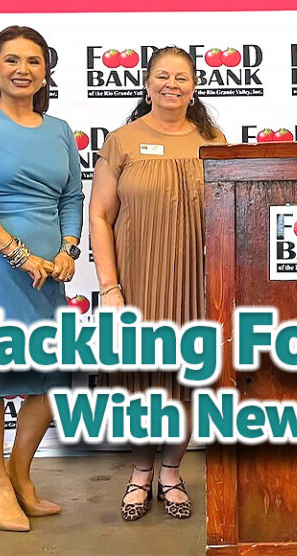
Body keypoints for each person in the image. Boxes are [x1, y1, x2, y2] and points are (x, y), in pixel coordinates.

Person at [0, 25, 84, 532]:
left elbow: (72, 198)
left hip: (49, 272)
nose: (22, 69)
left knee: (50, 378)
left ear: (45, 70)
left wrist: (68, 249)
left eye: (33, 61)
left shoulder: (60, 129)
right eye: (11, 60)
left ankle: (20, 475)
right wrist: (19, 253)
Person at [89, 46, 226, 522]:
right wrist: (109, 288)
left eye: (182, 77)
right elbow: (100, 216)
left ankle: (171, 473)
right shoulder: (122, 141)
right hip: (136, 281)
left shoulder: (213, 140)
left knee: (185, 382)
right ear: (147, 84)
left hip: (196, 282)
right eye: (162, 76)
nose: (172, 84)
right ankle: (140, 474)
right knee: (139, 383)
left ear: (194, 86)